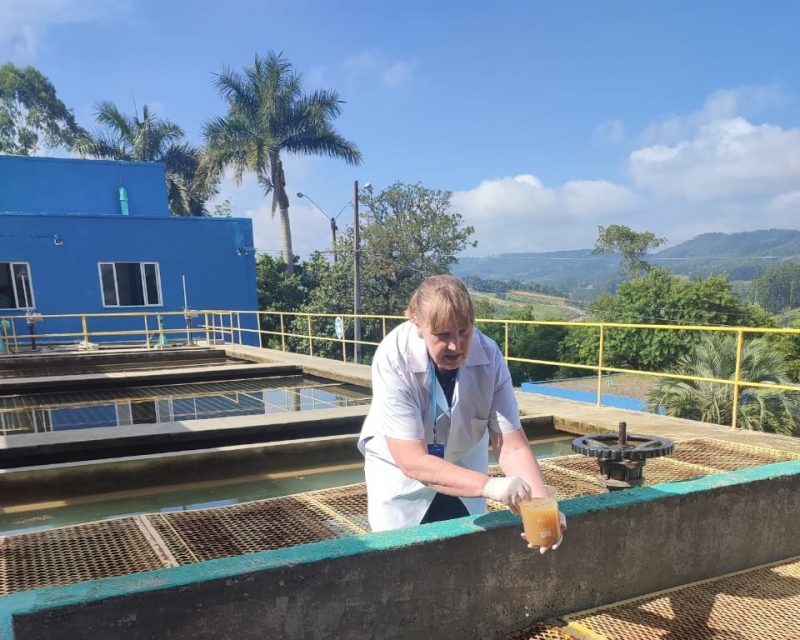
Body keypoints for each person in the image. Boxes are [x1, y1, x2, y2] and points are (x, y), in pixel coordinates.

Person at [358, 274, 566, 551]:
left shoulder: (489, 356)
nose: (455, 346)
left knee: (464, 550)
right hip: (400, 475)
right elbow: (412, 461)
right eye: (442, 335)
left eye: (464, 332)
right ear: (417, 323)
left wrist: (541, 505)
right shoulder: (394, 357)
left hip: (465, 465)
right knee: (403, 556)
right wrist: (489, 486)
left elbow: (512, 446)